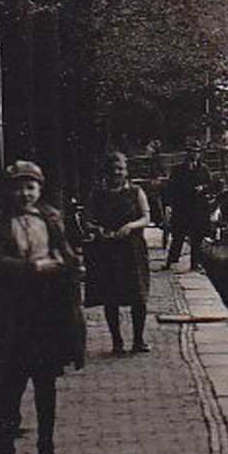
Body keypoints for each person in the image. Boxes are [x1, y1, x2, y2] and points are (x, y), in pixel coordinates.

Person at [0, 160, 84, 454]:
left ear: (39, 189)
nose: (25, 194)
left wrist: (70, 262)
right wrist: (32, 268)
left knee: (46, 386)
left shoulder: (50, 218)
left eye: (31, 187)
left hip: (47, 314)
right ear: (9, 191)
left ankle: (46, 451)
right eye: (18, 188)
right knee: (10, 387)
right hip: (12, 316)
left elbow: (65, 252)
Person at [84, 151, 153, 354]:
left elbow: (146, 217)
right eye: (113, 169)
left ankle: (138, 340)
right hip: (107, 249)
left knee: (138, 295)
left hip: (132, 248)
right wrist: (98, 230)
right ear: (107, 171)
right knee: (110, 296)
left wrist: (131, 226)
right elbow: (87, 220)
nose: (117, 173)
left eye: (121, 169)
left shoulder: (135, 192)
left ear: (126, 171)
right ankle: (117, 341)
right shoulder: (98, 194)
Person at [164, 145, 213, 270]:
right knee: (178, 236)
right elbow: (171, 188)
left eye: (197, 152)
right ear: (187, 154)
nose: (194, 154)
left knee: (197, 237)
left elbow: (211, 185)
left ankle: (194, 264)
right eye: (192, 152)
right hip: (182, 208)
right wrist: (169, 205)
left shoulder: (204, 169)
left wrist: (203, 188)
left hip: (198, 208)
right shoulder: (178, 170)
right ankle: (172, 261)